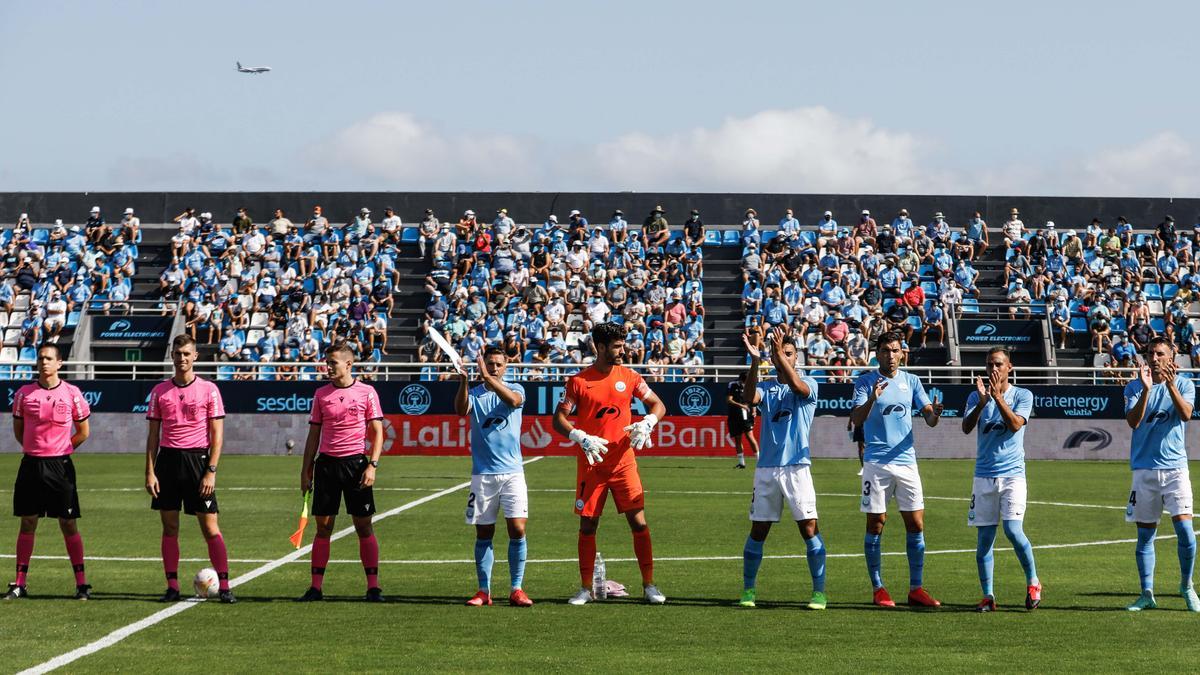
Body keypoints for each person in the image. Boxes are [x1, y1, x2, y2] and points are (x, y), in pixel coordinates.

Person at [552, 322, 668, 605]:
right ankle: (584, 588)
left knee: (638, 522)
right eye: (616, 346)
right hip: (592, 464)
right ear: (600, 347)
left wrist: (648, 422)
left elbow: (658, 405)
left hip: (624, 463)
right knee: (588, 526)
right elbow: (559, 419)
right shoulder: (578, 381)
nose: (622, 350)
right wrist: (579, 436)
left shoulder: (629, 377)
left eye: (622, 345)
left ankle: (649, 585)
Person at [850, 331, 944, 608]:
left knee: (915, 524)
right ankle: (878, 588)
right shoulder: (865, 382)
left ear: (902, 352)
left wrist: (934, 413)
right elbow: (856, 418)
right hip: (876, 463)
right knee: (876, 523)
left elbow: (928, 418)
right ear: (876, 353)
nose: (890, 356)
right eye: (885, 351)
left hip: (906, 462)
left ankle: (916, 588)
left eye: (895, 350)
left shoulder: (912, 381)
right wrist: (872, 398)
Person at [737, 328, 827, 610]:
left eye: (788, 354)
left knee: (809, 529)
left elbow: (797, 387)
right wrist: (754, 361)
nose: (782, 357)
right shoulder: (766, 387)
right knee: (758, 530)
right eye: (779, 353)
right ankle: (749, 590)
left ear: (796, 358)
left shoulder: (809, 384)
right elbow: (748, 398)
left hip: (797, 468)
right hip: (767, 469)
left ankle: (819, 592)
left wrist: (777, 356)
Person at [144, 334, 234, 603]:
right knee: (169, 527)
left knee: (210, 527)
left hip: (198, 463)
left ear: (195, 356)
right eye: (178, 353)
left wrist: (211, 470)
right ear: (172, 356)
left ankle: (226, 587)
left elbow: (217, 435)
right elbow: (152, 437)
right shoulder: (160, 391)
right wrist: (150, 470)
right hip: (168, 463)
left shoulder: (209, 390)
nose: (182, 358)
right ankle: (172, 586)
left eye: (187, 354)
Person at [298, 343, 386, 603]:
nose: (328, 367)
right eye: (327, 362)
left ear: (349, 364)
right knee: (323, 527)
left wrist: (372, 465)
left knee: (363, 525)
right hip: (326, 466)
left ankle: (373, 587)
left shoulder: (367, 392)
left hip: (356, 466)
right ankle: (315, 587)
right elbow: (313, 435)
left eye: (333, 362)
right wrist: (306, 471)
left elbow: (378, 432)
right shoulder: (321, 394)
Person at [4, 344, 92, 600]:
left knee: (68, 523)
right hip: (31, 464)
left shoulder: (72, 393)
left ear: (59, 363)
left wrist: (63, 448)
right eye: (41, 358)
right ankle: (20, 583)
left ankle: (81, 584)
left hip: (60, 466)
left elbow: (84, 432)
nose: (43, 362)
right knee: (28, 522)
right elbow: (19, 431)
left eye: (49, 358)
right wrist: (36, 449)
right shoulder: (24, 394)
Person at [960, 347, 1041, 612]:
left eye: (998, 364)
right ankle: (988, 595)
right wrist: (983, 402)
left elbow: (1016, 424)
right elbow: (966, 427)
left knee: (1013, 531)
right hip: (983, 475)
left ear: (1009, 368)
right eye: (989, 365)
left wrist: (997, 398)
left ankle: (1033, 582)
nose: (993, 369)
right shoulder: (976, 396)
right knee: (984, 540)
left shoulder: (1023, 395)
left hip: (1012, 476)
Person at [1122, 337, 1199, 612]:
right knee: (1145, 537)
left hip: (1175, 470)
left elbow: (1186, 414)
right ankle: (1146, 593)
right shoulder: (1133, 386)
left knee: (1187, 534)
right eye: (1150, 353)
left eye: (1160, 354)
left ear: (1171, 356)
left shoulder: (1184, 384)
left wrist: (1169, 384)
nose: (1154, 358)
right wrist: (1145, 390)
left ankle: (1187, 587)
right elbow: (1133, 421)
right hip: (1144, 471)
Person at [454, 348, 534, 607]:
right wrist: (465, 380)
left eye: (498, 364)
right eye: (490, 364)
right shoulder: (476, 394)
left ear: (506, 364)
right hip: (483, 475)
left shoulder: (516, 388)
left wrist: (488, 378)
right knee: (484, 532)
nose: (495, 368)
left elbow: (513, 401)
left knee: (517, 528)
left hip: (513, 474)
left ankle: (516, 588)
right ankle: (483, 591)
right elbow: (459, 410)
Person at [726, 371, 759, 469]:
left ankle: (759, 461)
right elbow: (729, 399)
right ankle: (741, 463)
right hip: (734, 415)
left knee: (750, 436)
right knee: (737, 438)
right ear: (740, 379)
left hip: (746, 415)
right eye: (744, 381)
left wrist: (754, 411)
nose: (745, 383)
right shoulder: (732, 385)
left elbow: (754, 399)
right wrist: (741, 406)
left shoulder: (752, 385)